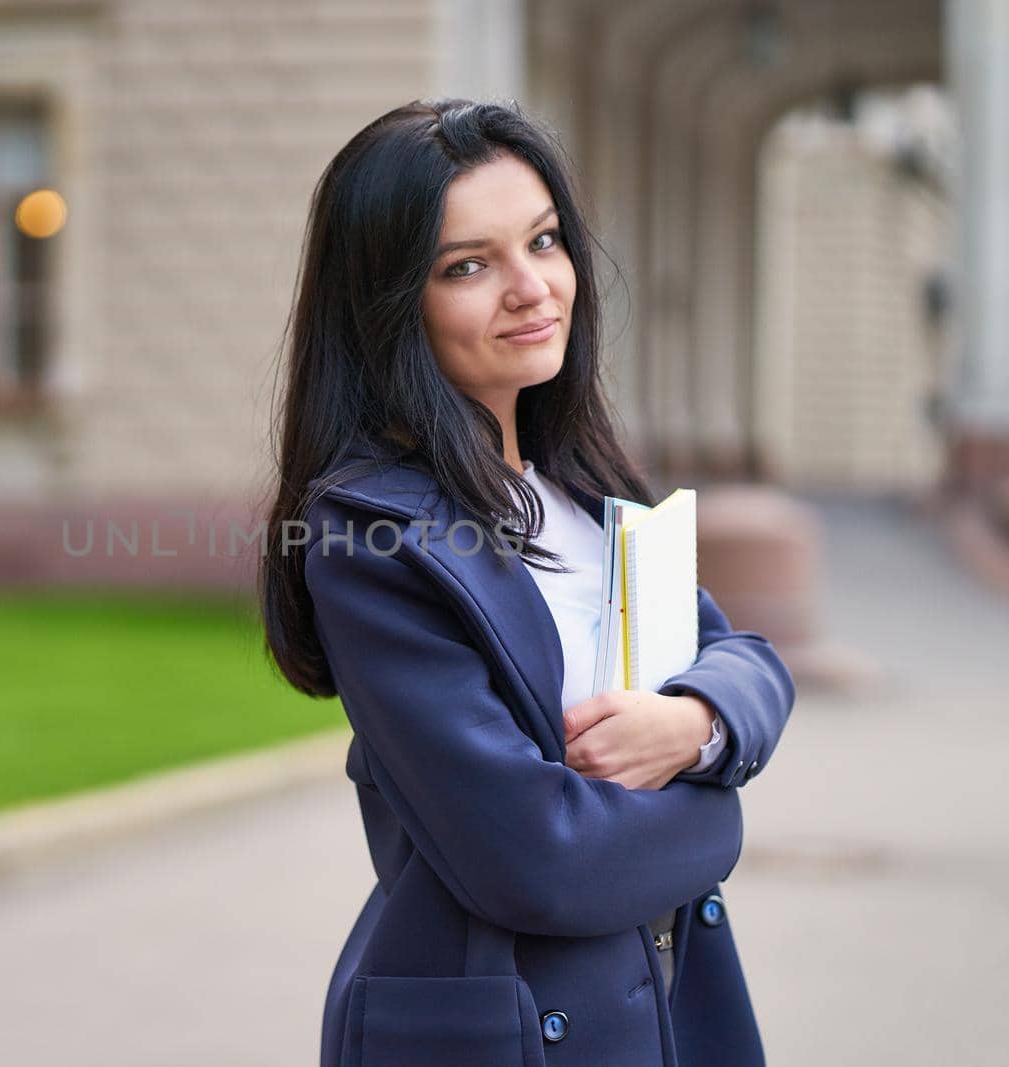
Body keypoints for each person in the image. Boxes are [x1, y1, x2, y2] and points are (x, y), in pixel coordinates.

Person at [259, 97, 796, 1066]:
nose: (531, 287)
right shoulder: (374, 530)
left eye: (543, 241)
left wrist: (695, 726)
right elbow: (537, 858)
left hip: (664, 1004)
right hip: (506, 1032)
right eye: (468, 264)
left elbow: (748, 661)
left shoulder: (581, 487)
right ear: (387, 300)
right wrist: (719, 804)